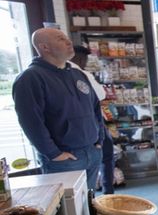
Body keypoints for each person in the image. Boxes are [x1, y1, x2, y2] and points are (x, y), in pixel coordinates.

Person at [12, 28, 104, 190]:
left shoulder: (77, 74)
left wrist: (99, 140)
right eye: (61, 39)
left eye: (67, 38)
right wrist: (54, 154)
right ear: (44, 47)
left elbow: (95, 108)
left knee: (88, 206)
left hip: (91, 150)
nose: (69, 42)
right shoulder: (30, 78)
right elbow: (31, 122)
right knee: (68, 212)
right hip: (64, 158)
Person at [70, 45, 115, 194]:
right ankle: (107, 192)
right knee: (106, 157)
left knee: (76, 184)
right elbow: (101, 94)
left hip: (72, 133)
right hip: (90, 128)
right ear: (80, 58)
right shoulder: (80, 73)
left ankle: (90, 200)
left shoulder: (54, 73)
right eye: (85, 60)